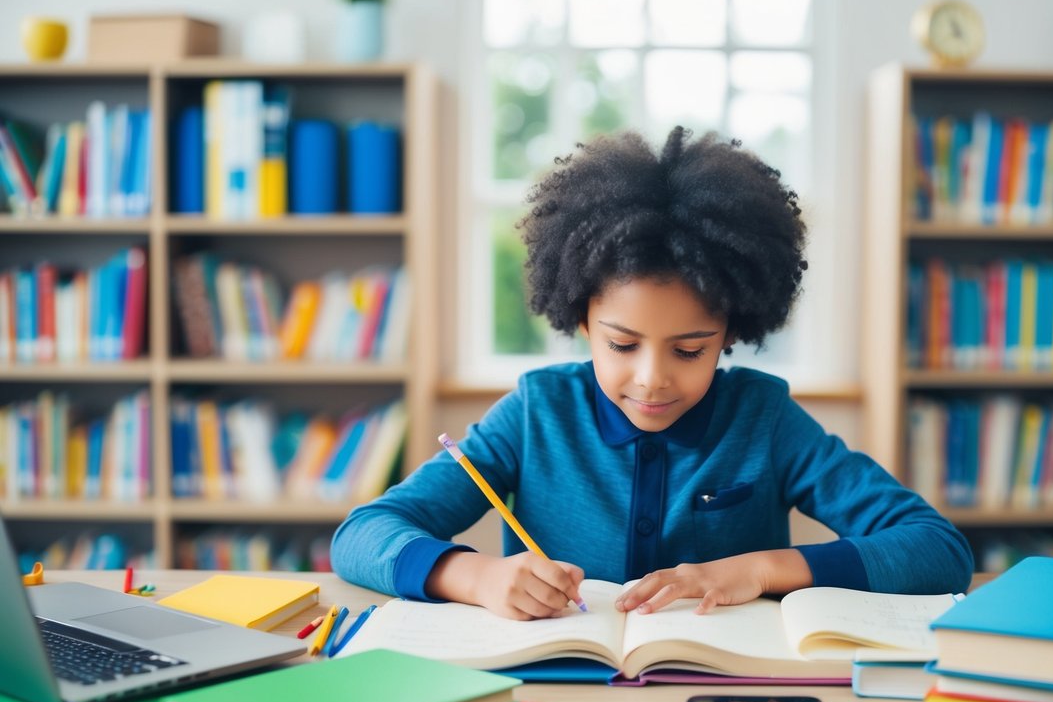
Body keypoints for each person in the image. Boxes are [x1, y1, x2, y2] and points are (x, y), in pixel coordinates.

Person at [331, 126, 972, 620]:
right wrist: (476, 578)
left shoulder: (765, 419)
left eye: (690, 350)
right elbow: (362, 536)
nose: (652, 379)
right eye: (622, 344)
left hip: (724, 694)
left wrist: (758, 570)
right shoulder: (535, 415)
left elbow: (937, 550)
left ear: (732, 332)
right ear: (582, 321)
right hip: (563, 699)